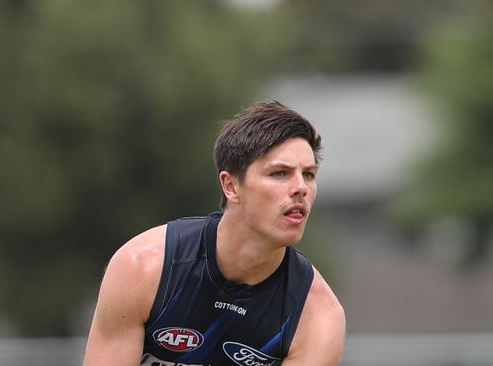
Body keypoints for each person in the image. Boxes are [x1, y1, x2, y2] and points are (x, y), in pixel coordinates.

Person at [84, 101, 345, 366]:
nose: (301, 188)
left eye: (309, 175)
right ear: (230, 186)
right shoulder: (142, 267)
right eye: (280, 173)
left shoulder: (317, 316)